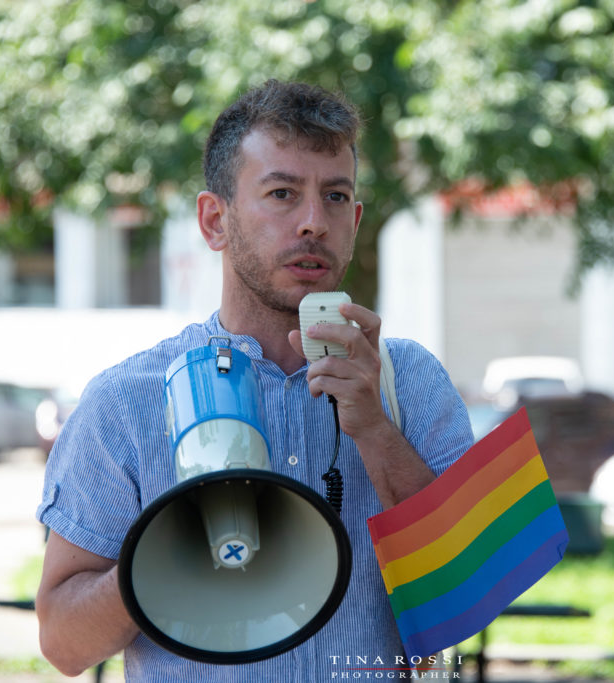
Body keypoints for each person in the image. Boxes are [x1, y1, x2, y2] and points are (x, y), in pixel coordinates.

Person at [35, 80, 474, 680]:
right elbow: (63, 642)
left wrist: (375, 431)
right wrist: (168, 554)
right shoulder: (127, 399)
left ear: (356, 221)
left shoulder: (410, 382)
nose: (314, 222)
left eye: (337, 197)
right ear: (215, 220)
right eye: (282, 193)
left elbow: (469, 596)